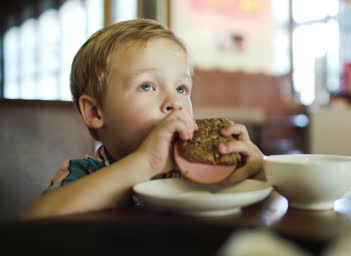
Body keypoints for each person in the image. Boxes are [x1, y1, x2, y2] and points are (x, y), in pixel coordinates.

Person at [20, 19, 264, 220]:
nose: (175, 102)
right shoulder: (83, 174)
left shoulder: (199, 172)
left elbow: (267, 215)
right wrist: (148, 162)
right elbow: (33, 222)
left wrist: (256, 175)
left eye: (181, 88)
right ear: (95, 112)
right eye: (147, 86)